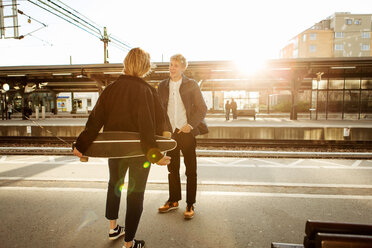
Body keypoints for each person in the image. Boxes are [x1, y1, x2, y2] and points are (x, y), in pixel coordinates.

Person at [73, 48, 170, 248]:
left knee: (114, 185)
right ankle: (129, 242)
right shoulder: (147, 90)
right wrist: (156, 155)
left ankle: (113, 227)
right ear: (145, 67)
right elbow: (149, 127)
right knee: (136, 193)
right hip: (139, 153)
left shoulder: (111, 89)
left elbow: (94, 121)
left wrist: (81, 146)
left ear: (126, 64)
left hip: (114, 150)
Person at [157, 54, 208, 219]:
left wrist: (191, 125)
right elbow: (159, 110)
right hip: (170, 134)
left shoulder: (191, 85)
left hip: (186, 133)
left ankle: (190, 203)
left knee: (191, 170)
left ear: (183, 68)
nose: (172, 68)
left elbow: (202, 108)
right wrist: (163, 129)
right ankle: (173, 201)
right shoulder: (162, 86)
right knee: (172, 170)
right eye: (171, 65)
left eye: (176, 65)